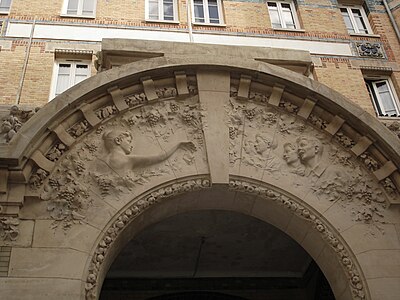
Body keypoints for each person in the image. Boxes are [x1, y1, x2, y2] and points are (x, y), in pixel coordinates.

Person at [101, 129, 195, 172]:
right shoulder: (127, 159)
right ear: (118, 140)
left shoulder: (102, 161)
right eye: (129, 141)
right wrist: (178, 144)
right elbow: (161, 157)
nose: (131, 145)